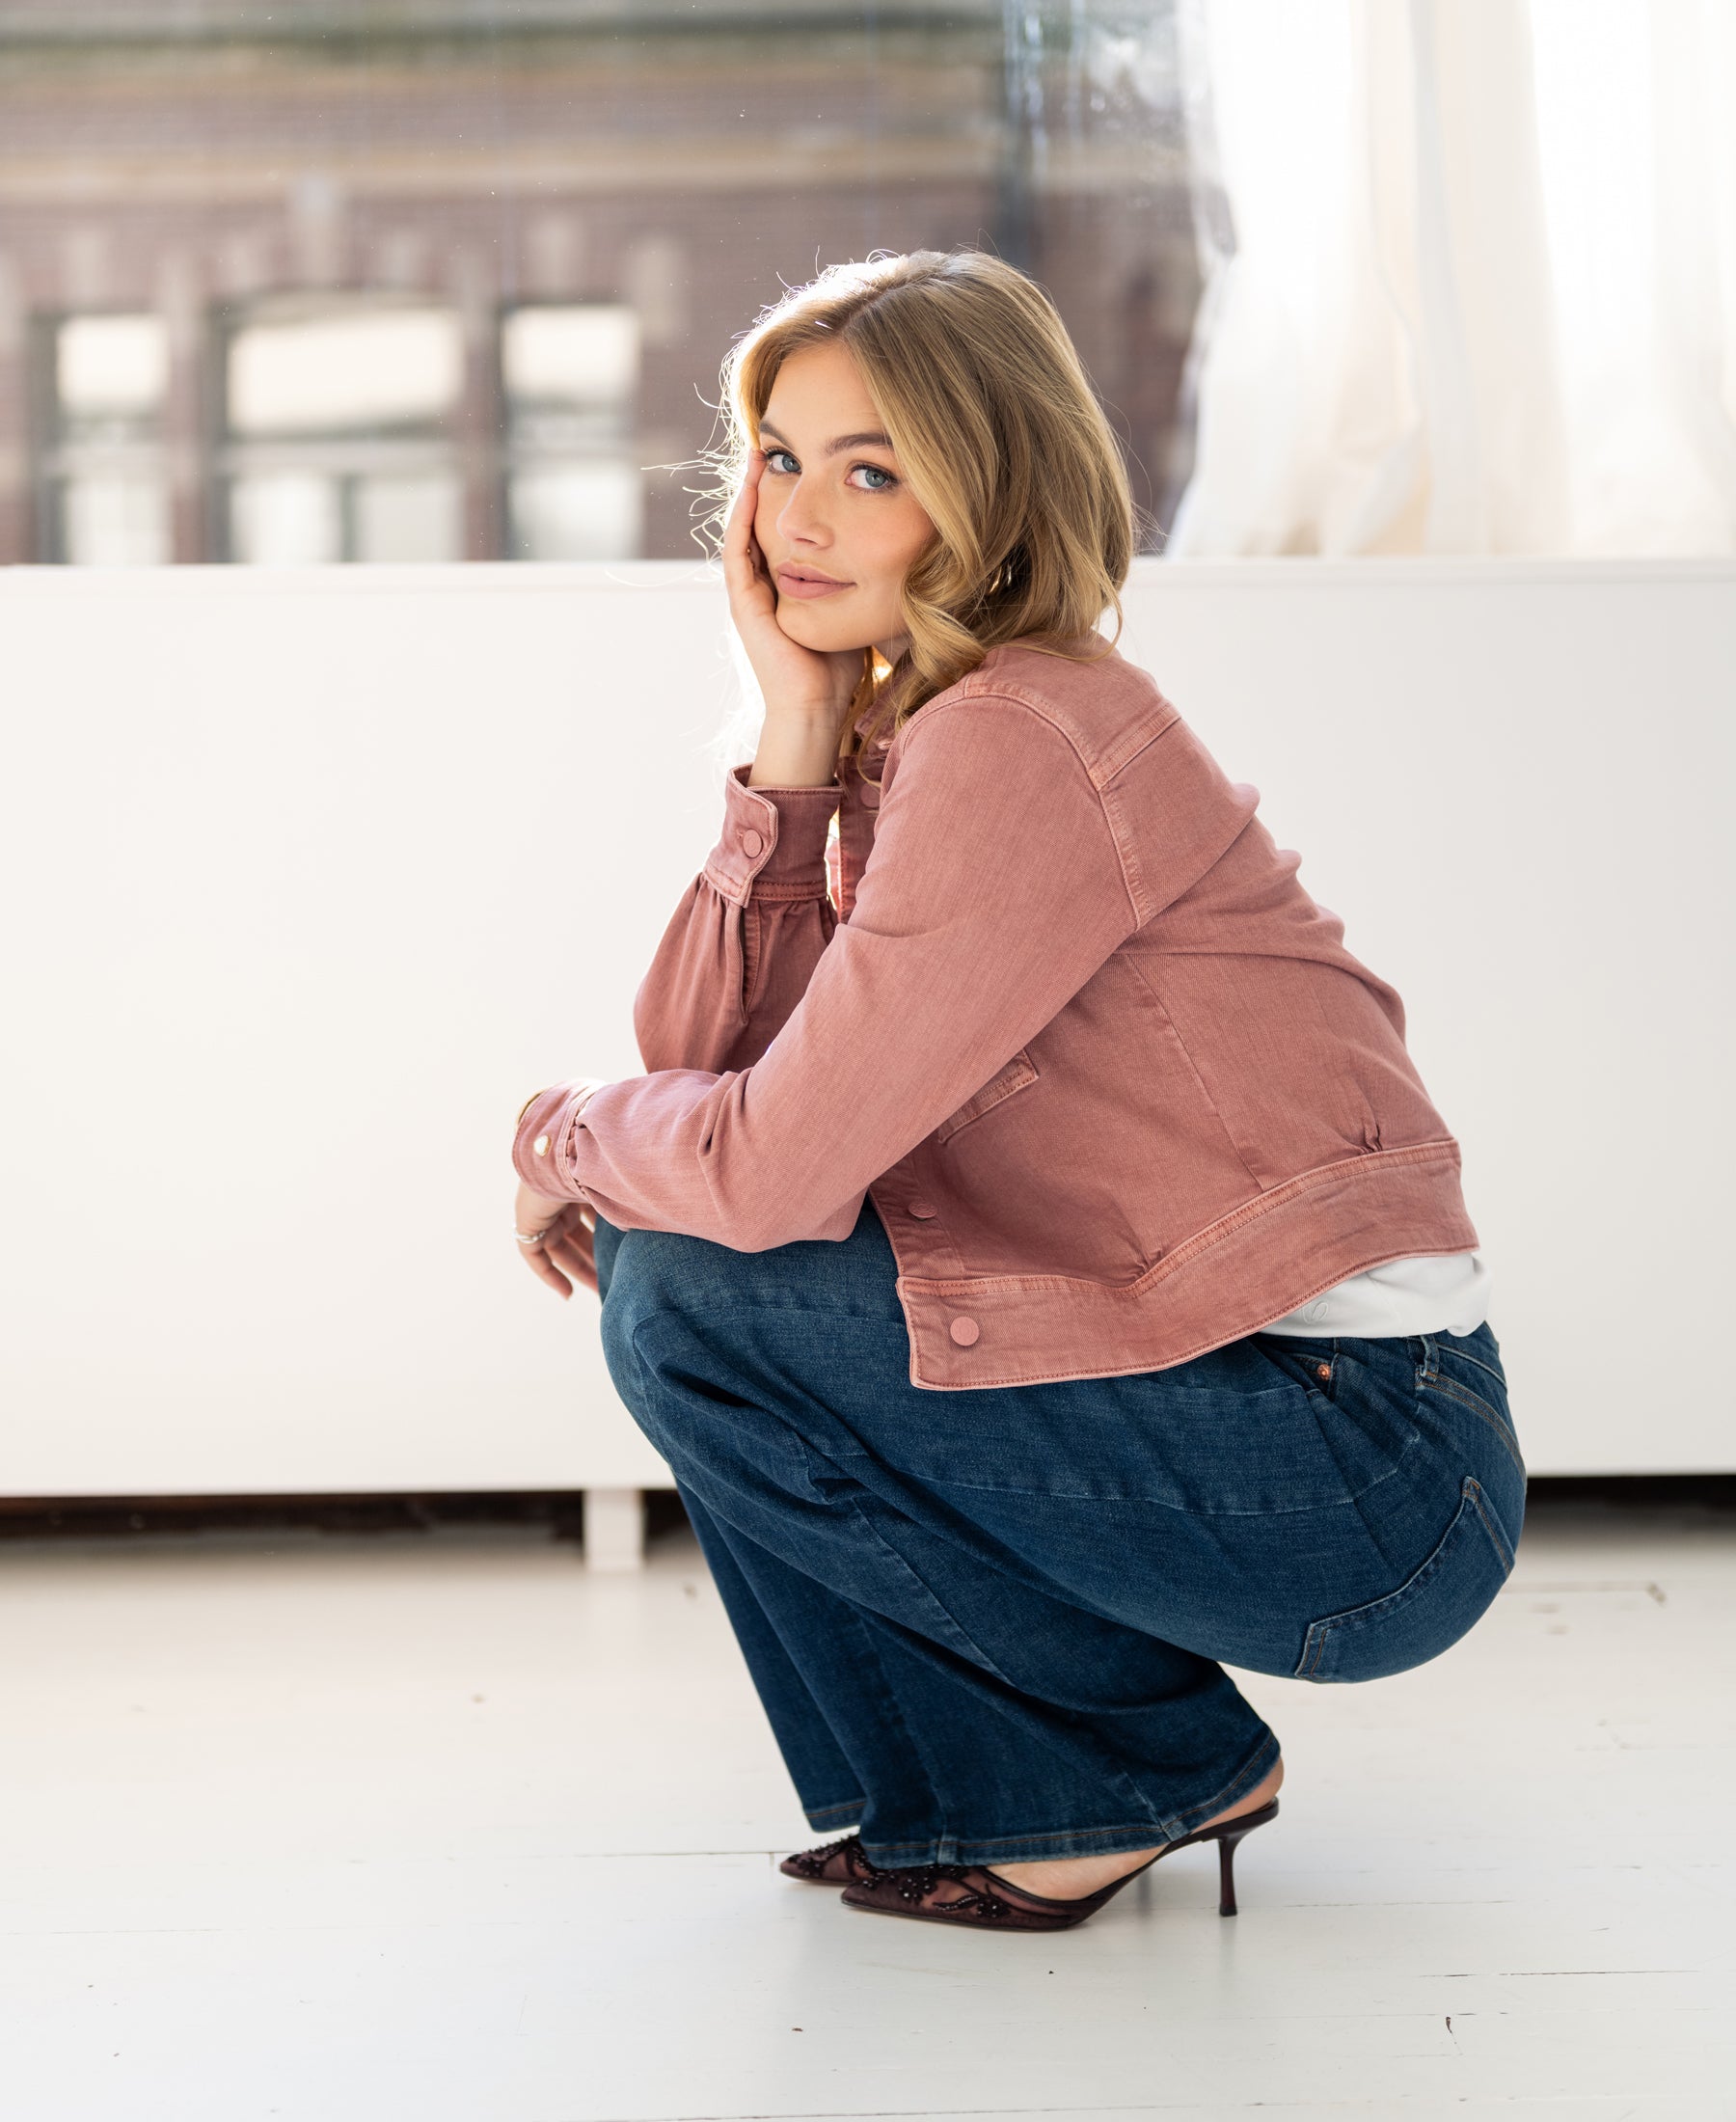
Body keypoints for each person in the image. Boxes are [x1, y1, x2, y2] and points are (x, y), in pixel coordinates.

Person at [508, 250, 1524, 1935]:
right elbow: (711, 1085)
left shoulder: (1022, 735)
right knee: (673, 1256)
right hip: (1263, 1409)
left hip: (1365, 1460)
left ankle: (1119, 1776)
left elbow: (754, 1177)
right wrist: (794, 736)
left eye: (873, 473)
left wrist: (556, 1133)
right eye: (781, 458)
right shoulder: (915, 734)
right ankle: (993, 1791)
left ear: (990, 499)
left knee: (690, 1281)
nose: (795, 520)